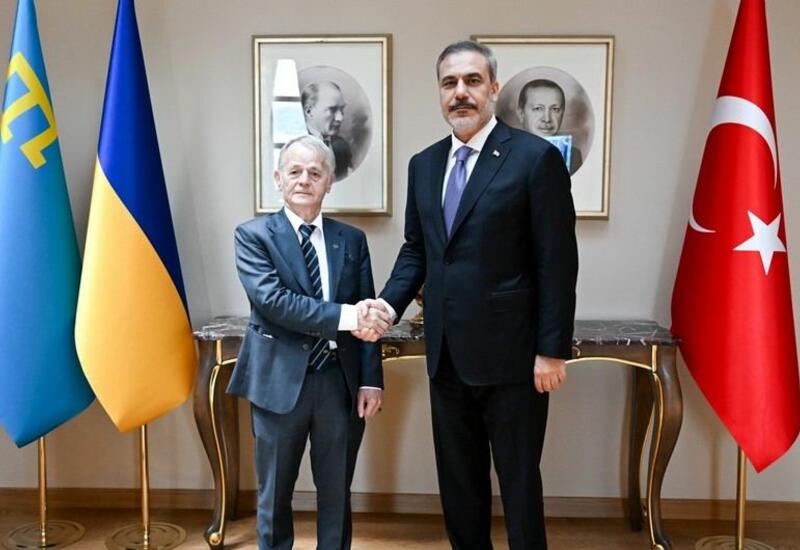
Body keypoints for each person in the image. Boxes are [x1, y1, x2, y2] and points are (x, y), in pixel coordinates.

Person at [361, 41, 578, 549]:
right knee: (459, 488)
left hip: (514, 358)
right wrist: (388, 305)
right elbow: (418, 249)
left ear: (493, 89)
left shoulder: (535, 159)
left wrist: (551, 350)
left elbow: (557, 261)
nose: (460, 92)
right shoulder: (424, 164)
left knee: (519, 485)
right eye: (449, 83)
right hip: (446, 356)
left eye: (472, 81)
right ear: (440, 92)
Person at [228, 135, 388, 550]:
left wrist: (371, 379)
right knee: (274, 495)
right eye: (295, 171)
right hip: (278, 384)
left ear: (329, 182)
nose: (304, 180)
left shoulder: (351, 240)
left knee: (337, 492)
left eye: (315, 173)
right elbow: (275, 303)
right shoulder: (253, 236)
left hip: (338, 382)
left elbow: (367, 307)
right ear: (278, 178)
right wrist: (350, 316)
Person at [516, 78, 583, 174]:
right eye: (538, 108)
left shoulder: (573, 156)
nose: (547, 119)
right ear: (521, 113)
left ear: (562, 113)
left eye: (555, 109)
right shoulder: (504, 153)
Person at [301, 81, 353, 181]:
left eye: (342, 109)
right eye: (332, 110)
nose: (340, 118)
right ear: (309, 111)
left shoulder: (342, 146)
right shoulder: (295, 146)